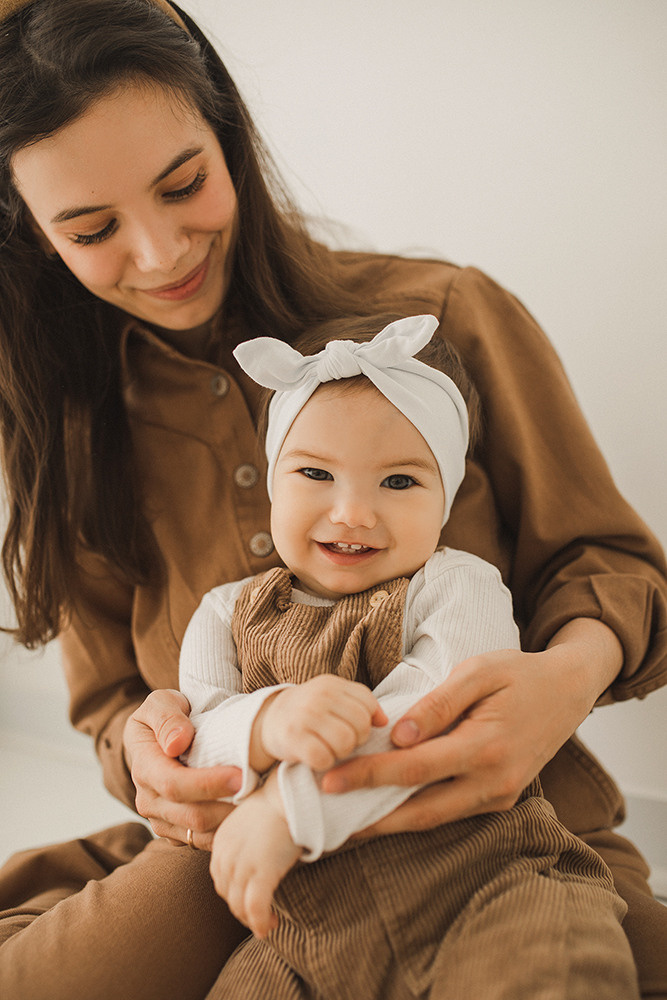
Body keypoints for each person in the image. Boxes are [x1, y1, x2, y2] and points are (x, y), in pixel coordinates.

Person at [0, 0, 665, 997]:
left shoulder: (440, 318)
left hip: (491, 826)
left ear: (229, 136)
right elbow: (113, 704)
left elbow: (608, 565)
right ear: (35, 237)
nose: (159, 251)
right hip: (222, 852)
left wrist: (562, 679)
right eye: (91, 229)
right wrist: (153, 759)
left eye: (183, 185)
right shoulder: (76, 425)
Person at [178, 313, 638, 997]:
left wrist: (288, 809)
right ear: (273, 480)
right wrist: (267, 722)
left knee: (550, 976)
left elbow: (435, 716)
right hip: (300, 927)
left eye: (398, 482)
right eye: (314, 472)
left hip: (485, 887)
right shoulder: (224, 610)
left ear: (444, 499)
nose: (353, 512)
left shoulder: (457, 586)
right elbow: (197, 740)